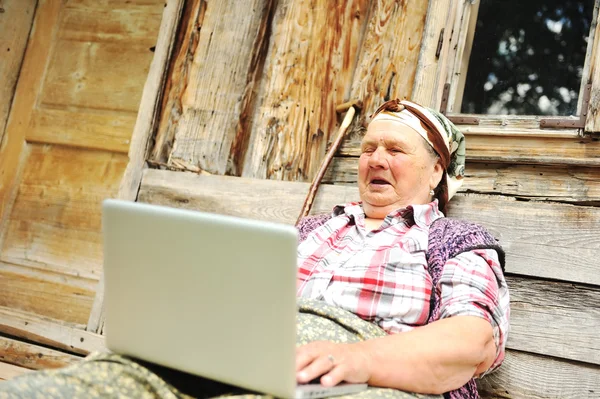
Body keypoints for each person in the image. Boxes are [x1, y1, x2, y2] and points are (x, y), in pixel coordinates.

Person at [0, 99, 509, 399]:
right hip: (242, 361)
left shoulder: (453, 243)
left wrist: (359, 358)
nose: (376, 158)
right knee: (98, 383)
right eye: (368, 147)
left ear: (438, 171)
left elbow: (474, 344)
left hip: (354, 382)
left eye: (395, 150)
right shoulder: (314, 230)